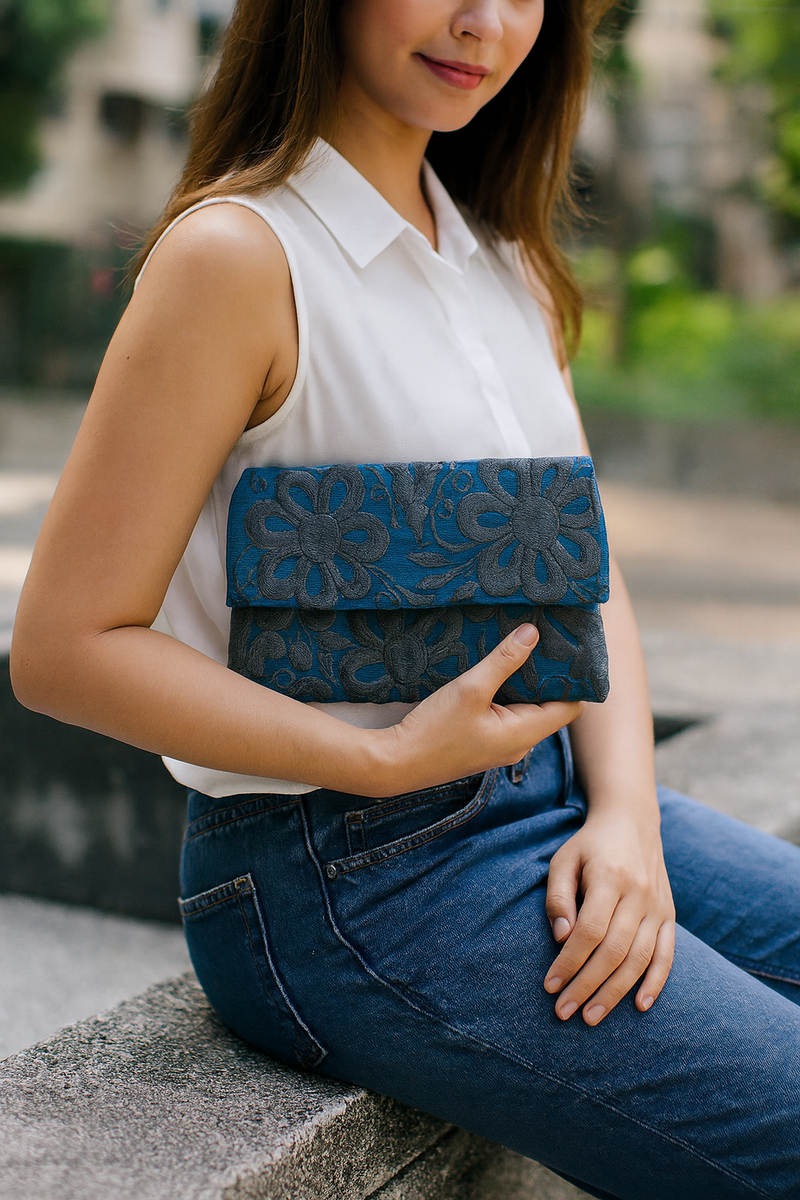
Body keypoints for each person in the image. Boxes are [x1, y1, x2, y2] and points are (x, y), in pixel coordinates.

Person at [10, 2, 800, 1196]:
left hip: (560, 805)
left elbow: (586, 577)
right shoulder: (238, 257)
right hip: (347, 870)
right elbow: (63, 646)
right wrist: (372, 760)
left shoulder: (504, 264)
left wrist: (627, 816)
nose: (483, 22)